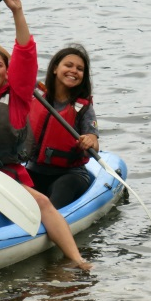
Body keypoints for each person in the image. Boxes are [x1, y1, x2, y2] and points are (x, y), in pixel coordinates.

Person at [0, 0, 93, 271]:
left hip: (6, 178)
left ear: (7, 73)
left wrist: (17, 11)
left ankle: (77, 260)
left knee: (42, 204)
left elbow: (24, 54)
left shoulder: (18, 98)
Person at [27, 44, 99, 209]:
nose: (74, 70)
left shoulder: (83, 107)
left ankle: (50, 224)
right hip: (35, 170)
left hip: (70, 175)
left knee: (64, 185)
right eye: (68, 65)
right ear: (54, 69)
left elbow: (94, 141)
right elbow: (14, 63)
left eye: (80, 69)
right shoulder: (37, 95)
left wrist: (89, 141)